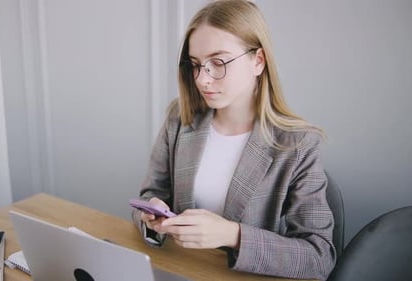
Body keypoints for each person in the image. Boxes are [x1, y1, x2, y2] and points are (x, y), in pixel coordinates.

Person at [132, 0, 336, 280]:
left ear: (258, 61)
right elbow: (149, 196)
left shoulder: (298, 145)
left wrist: (233, 235)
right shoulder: (179, 119)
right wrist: (151, 217)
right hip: (181, 271)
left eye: (217, 63)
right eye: (196, 65)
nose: (202, 80)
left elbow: (319, 256)